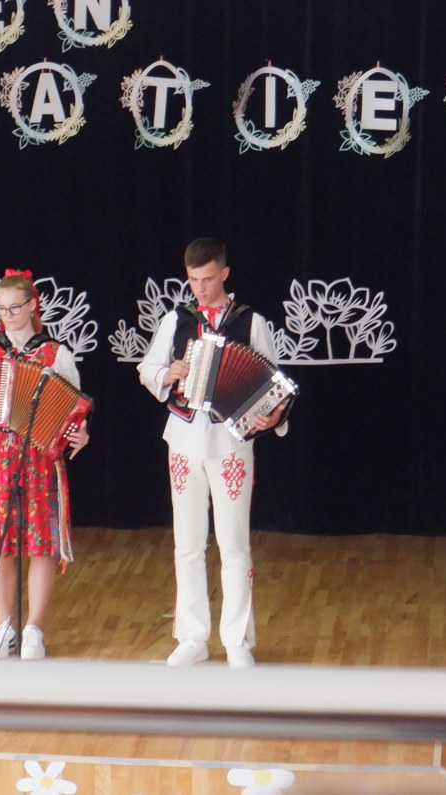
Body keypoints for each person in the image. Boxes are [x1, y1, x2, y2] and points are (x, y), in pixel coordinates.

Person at [136, 238, 289, 669]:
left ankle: (237, 639)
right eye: (192, 280)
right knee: (187, 543)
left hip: (231, 443)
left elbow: (274, 383)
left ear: (224, 274)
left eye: (206, 279)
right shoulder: (176, 319)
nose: (199, 289)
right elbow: (147, 368)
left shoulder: (251, 321)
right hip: (184, 438)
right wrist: (168, 372)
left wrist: (273, 415)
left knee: (234, 543)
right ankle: (192, 636)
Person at [0, 268, 90, 660]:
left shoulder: (55, 353)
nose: (8, 316)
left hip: (38, 455)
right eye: (2, 309)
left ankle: (34, 628)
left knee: (40, 543)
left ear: (32, 305)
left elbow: (73, 408)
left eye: (15, 308)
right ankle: (5, 626)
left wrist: (81, 434)